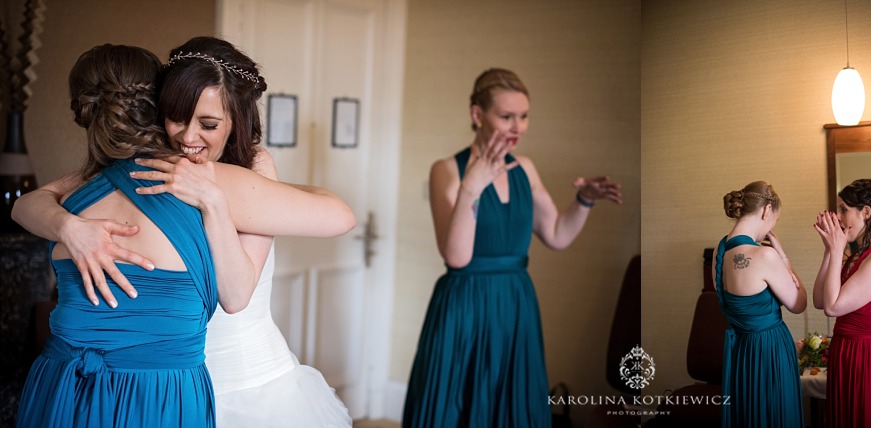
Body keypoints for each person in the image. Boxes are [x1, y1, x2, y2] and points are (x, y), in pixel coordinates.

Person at [13, 37, 354, 427]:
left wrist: (215, 198)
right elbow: (30, 202)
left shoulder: (248, 172)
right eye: (177, 117)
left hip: (243, 381)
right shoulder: (136, 171)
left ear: (236, 122)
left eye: (208, 124)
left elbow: (334, 218)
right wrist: (68, 226)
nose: (189, 138)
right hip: (172, 380)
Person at [401, 68, 621, 427]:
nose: (517, 126)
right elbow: (456, 256)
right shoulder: (447, 170)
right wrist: (472, 187)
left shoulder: (526, 169)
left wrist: (583, 201)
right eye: (506, 116)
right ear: (477, 115)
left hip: (515, 302)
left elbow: (557, 235)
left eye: (523, 116)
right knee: (457, 401)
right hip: (465, 304)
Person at [813, 177, 871, 427]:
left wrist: (836, 251)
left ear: (866, 212)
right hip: (847, 354)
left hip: (868, 359)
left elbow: (832, 308)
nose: (838, 217)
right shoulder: (858, 256)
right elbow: (820, 300)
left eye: (843, 209)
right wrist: (828, 251)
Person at [713, 181, 806, 427]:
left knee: (749, 414)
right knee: (774, 414)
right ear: (766, 210)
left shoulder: (719, 252)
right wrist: (783, 256)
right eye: (774, 220)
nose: (771, 228)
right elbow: (799, 304)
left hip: (741, 350)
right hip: (770, 350)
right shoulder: (765, 255)